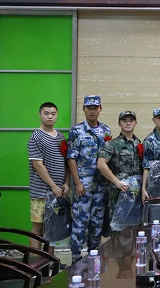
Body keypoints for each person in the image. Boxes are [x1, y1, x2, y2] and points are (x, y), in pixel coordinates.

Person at [67, 95, 111, 263]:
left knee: (96, 223)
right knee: (80, 223)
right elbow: (71, 158)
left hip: (101, 185)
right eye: (89, 108)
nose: (92, 111)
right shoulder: (76, 131)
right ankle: (76, 259)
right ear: (84, 109)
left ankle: (93, 257)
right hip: (83, 185)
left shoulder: (106, 130)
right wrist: (77, 183)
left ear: (100, 109)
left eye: (95, 108)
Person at [27, 102, 70, 248]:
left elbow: (66, 163)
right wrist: (53, 186)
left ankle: (49, 261)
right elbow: (38, 165)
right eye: (46, 113)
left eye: (53, 113)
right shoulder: (35, 137)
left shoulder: (61, 137)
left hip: (58, 192)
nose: (50, 116)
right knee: (38, 228)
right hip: (41, 192)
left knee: (53, 227)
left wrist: (66, 183)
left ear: (57, 115)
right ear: (40, 115)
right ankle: (36, 261)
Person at [97, 110, 142, 231]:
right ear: (119, 123)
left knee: (135, 227)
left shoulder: (139, 143)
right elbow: (101, 164)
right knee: (118, 229)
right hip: (119, 192)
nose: (128, 123)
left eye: (131, 121)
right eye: (124, 121)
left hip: (136, 193)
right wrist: (116, 182)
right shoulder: (112, 144)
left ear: (136, 123)